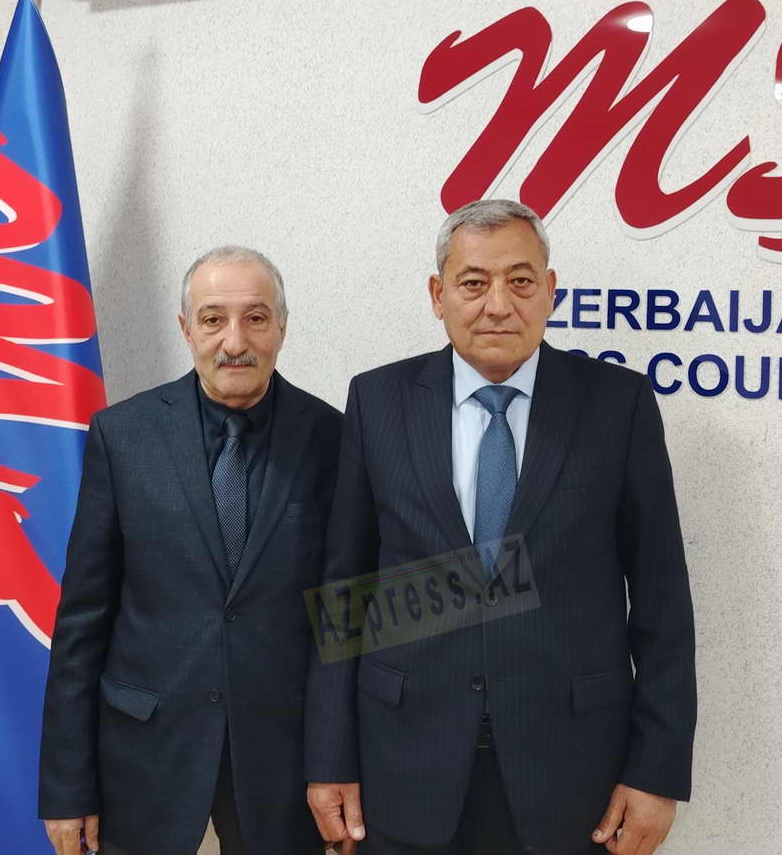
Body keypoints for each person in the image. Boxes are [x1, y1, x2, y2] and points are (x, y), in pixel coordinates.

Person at [305, 200, 696, 855]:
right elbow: (346, 588)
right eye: (473, 282)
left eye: (519, 281)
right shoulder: (378, 401)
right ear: (438, 295)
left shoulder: (617, 405)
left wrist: (656, 772)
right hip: (402, 765)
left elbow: (662, 603)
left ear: (550, 290)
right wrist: (328, 758)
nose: (497, 305)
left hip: (571, 774)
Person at [40, 246, 341, 855]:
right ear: (186, 328)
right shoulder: (122, 436)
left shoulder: (334, 438)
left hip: (283, 764)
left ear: (283, 326)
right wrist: (67, 787)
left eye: (256, 318)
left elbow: (344, 622)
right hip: (144, 755)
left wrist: (339, 763)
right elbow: (81, 622)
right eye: (213, 319)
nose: (235, 341)